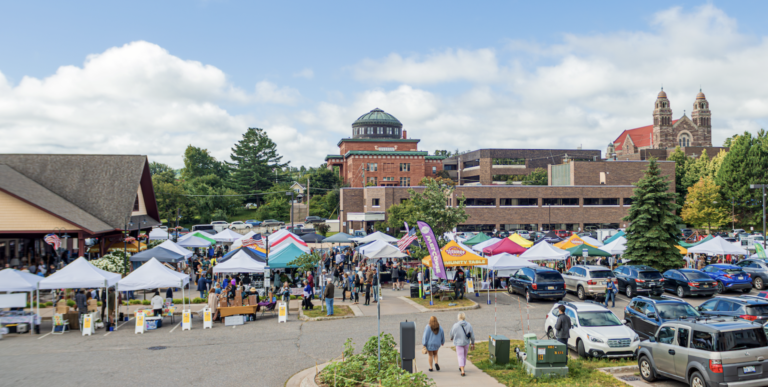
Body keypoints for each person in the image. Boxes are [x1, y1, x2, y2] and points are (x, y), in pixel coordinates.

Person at [449, 312, 475, 377]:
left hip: (458, 343)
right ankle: (462, 367)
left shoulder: (455, 325)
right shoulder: (469, 325)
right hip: (466, 342)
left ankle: (462, 370)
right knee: (464, 356)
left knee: (460, 356)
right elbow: (472, 335)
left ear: (458, 317)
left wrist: (451, 338)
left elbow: (451, 333)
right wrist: (472, 343)